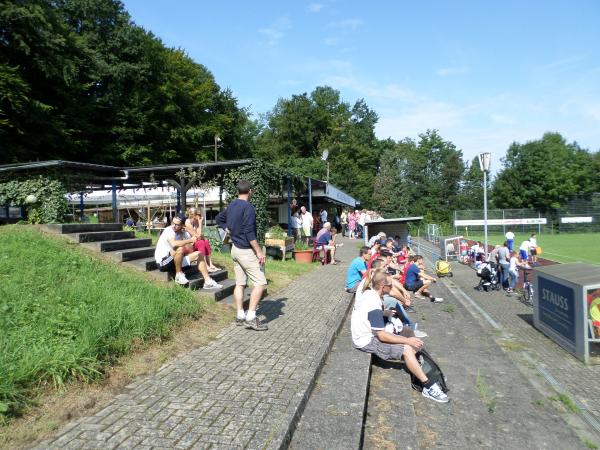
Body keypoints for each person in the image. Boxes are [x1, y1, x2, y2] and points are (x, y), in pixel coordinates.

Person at [351, 271, 449, 403]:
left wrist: (385, 313)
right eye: (390, 286)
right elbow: (382, 336)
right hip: (366, 340)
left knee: (407, 331)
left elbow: (369, 314)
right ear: (382, 286)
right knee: (407, 348)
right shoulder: (373, 302)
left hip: (369, 333)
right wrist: (407, 341)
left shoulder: (370, 293)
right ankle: (428, 386)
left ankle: (425, 368)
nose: (392, 288)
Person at [216, 180, 268, 331]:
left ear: (238, 191)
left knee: (240, 283)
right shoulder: (248, 207)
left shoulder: (232, 205)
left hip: (234, 250)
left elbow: (220, 219)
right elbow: (249, 233)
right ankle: (251, 318)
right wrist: (258, 251)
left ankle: (240, 315)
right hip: (245, 250)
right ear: (250, 191)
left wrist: (227, 229)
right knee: (260, 283)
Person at [154, 214, 223, 288]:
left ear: (182, 225)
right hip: (163, 262)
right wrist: (189, 240)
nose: (173, 225)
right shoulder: (169, 230)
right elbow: (174, 244)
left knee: (199, 254)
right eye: (172, 223)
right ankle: (179, 275)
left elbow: (190, 250)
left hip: (177, 260)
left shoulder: (183, 233)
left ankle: (208, 281)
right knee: (179, 248)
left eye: (177, 224)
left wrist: (185, 233)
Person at [184, 207, 220, 273]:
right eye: (199, 214)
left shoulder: (195, 222)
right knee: (201, 242)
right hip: (189, 245)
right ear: (194, 215)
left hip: (194, 242)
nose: (200, 216)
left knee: (205, 241)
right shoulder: (187, 223)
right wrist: (200, 224)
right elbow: (198, 236)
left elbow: (200, 236)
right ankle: (205, 265)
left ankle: (210, 264)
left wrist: (199, 223)